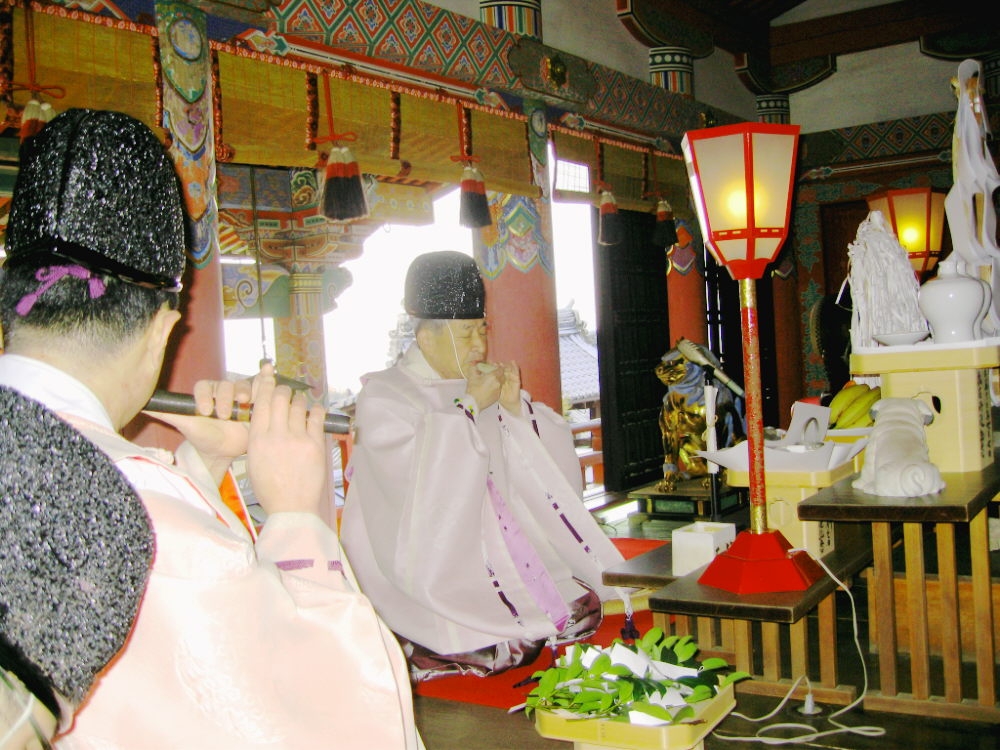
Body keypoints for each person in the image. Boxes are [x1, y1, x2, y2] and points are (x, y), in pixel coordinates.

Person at [0, 108, 421, 749]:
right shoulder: (124, 518)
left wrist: (206, 468)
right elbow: (337, 717)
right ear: (164, 330)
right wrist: (297, 516)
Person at [340, 250, 626, 680]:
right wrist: (471, 406)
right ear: (425, 338)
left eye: (481, 331)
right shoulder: (385, 395)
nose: (478, 346)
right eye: (466, 334)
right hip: (426, 566)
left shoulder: (477, 382)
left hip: (498, 544)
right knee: (491, 636)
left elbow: (528, 461)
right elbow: (416, 493)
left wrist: (511, 410)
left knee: (561, 607)